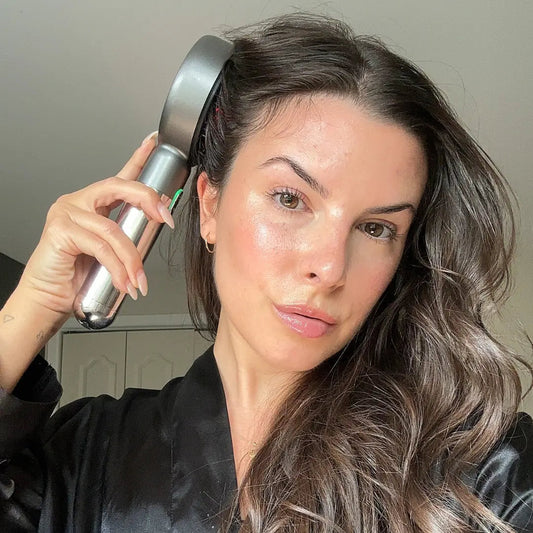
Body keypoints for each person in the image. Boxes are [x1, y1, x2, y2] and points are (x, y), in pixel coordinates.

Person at [0, 13, 532, 533]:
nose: (329, 268)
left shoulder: (482, 462)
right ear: (209, 205)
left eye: (375, 228)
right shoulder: (84, 454)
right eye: (289, 198)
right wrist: (33, 306)